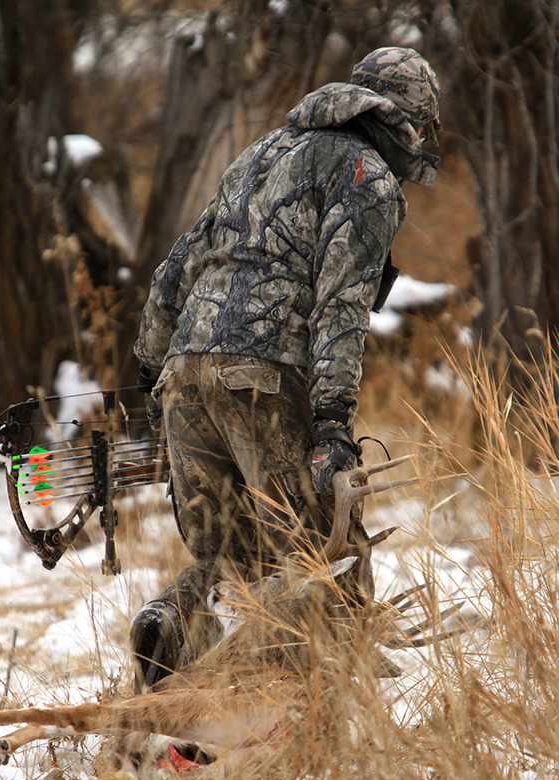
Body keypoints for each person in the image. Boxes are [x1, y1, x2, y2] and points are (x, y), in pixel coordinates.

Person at [130, 46, 442, 690]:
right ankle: (336, 712)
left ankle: (171, 643)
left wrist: (151, 368)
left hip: (185, 369)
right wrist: (331, 427)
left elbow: (175, 269)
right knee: (327, 553)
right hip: (265, 378)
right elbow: (342, 306)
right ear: (405, 118)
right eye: (423, 127)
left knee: (229, 554)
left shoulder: (262, 153)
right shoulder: (368, 178)